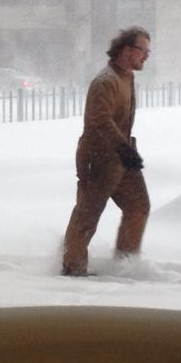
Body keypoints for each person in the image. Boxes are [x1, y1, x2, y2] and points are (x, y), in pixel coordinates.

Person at [62, 26, 152, 277]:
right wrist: (123, 149)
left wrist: (127, 151)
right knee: (88, 214)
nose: (146, 56)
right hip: (99, 158)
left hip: (122, 156)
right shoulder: (106, 82)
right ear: (127, 50)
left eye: (148, 51)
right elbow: (99, 121)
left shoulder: (126, 76)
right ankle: (72, 267)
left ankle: (125, 266)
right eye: (143, 51)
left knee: (138, 206)